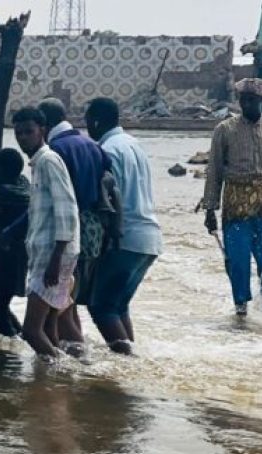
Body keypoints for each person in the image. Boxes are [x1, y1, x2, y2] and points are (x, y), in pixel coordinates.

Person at [84, 98, 163, 353]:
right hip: (149, 237)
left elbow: (109, 200)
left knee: (101, 306)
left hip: (125, 237)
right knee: (118, 306)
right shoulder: (133, 144)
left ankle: (125, 364)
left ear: (96, 121)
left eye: (88, 122)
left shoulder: (106, 150)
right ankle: (132, 357)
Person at [40, 97, 111, 353]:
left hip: (70, 230)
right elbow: (108, 177)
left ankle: (77, 360)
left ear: (43, 124)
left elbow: (61, 202)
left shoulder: (55, 151)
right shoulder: (90, 144)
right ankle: (74, 353)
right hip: (93, 228)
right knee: (70, 298)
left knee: (61, 303)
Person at [13, 106, 81, 359]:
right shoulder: (39, 163)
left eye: (28, 132)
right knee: (49, 326)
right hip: (49, 254)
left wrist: (56, 258)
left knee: (31, 331)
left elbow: (67, 209)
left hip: (54, 255)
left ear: (42, 130)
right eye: (18, 133)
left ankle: (61, 372)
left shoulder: (48, 161)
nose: (22, 138)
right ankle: (55, 383)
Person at [202, 78, 262, 317]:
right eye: (243, 100)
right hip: (236, 204)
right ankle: (241, 311)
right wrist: (210, 209)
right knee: (237, 262)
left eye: (252, 101)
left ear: (261, 101)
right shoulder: (224, 130)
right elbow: (214, 171)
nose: (247, 105)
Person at [0, 148, 32, 337]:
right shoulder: (25, 186)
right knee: (1, 304)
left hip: (5, 258)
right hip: (22, 257)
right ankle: (21, 338)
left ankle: (16, 347)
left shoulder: (4, 195)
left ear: (3, 171)